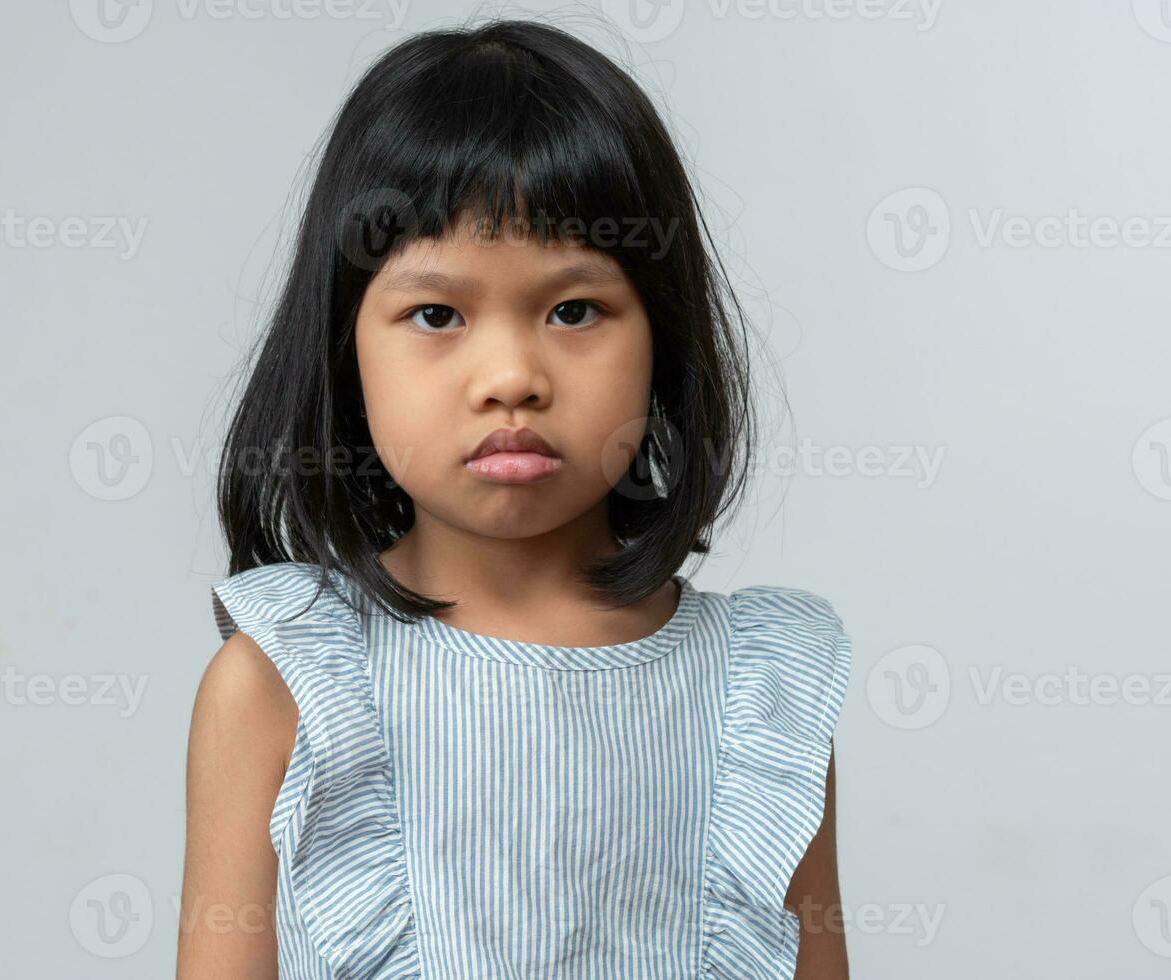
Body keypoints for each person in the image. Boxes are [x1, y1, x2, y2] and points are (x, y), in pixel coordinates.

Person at [179, 18, 853, 979]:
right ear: (344, 348)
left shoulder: (763, 698)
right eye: (437, 315)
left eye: (573, 310)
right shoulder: (282, 686)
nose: (510, 377)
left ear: (663, 336)